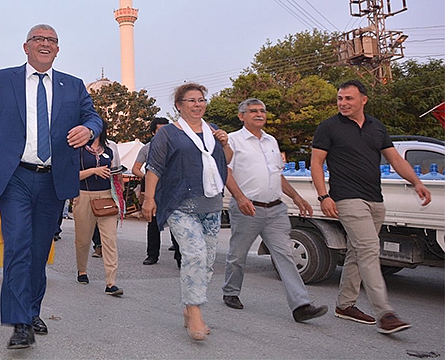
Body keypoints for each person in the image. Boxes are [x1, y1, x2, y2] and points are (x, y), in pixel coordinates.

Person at [0, 24, 103, 349]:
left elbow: (94, 117)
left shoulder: (72, 86)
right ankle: (20, 322)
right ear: (26, 46)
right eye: (38, 40)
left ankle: (31, 310)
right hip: (14, 176)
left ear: (57, 49)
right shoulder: (1, 80)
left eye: (51, 41)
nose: (45, 44)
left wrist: (88, 129)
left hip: (54, 179)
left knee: (39, 251)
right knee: (17, 246)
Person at [310, 80, 431, 334]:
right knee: (368, 250)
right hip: (347, 198)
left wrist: (416, 182)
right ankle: (385, 313)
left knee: (357, 251)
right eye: (340, 99)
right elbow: (317, 163)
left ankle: (345, 305)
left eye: (348, 99)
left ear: (363, 100)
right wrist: (324, 197)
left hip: (375, 199)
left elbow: (395, 158)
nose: (343, 103)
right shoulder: (328, 127)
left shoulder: (377, 127)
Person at [221, 98, 327, 323]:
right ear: (242, 116)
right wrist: (240, 198)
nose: (259, 114)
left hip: (275, 209)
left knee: (286, 255)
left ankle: (301, 305)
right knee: (238, 255)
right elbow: (225, 172)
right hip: (247, 208)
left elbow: (276, 175)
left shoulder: (271, 141)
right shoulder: (233, 140)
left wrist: (296, 197)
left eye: (262, 111)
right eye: (253, 111)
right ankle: (231, 291)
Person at [142, 83, 232, 341]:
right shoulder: (168, 134)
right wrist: (149, 199)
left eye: (201, 100)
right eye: (191, 100)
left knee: (208, 261)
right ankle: (195, 312)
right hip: (181, 205)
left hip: (211, 205)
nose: (197, 104)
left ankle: (188, 306)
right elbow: (154, 168)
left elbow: (225, 161)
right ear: (179, 105)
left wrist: (225, 143)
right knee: (194, 254)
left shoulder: (213, 131)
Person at [73, 121, 124, 296]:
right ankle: (82, 271)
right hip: (83, 195)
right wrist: (93, 171)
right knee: (83, 239)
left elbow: (117, 174)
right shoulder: (78, 149)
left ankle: (111, 282)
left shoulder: (111, 149)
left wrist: (120, 196)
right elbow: (70, 175)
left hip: (106, 197)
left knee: (109, 240)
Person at [132, 117, 181, 267]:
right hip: (154, 190)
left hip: (173, 189)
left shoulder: (177, 146)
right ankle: (152, 255)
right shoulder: (147, 148)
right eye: (160, 130)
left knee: (178, 222)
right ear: (153, 132)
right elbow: (135, 168)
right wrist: (148, 177)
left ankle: (180, 256)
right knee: (153, 223)